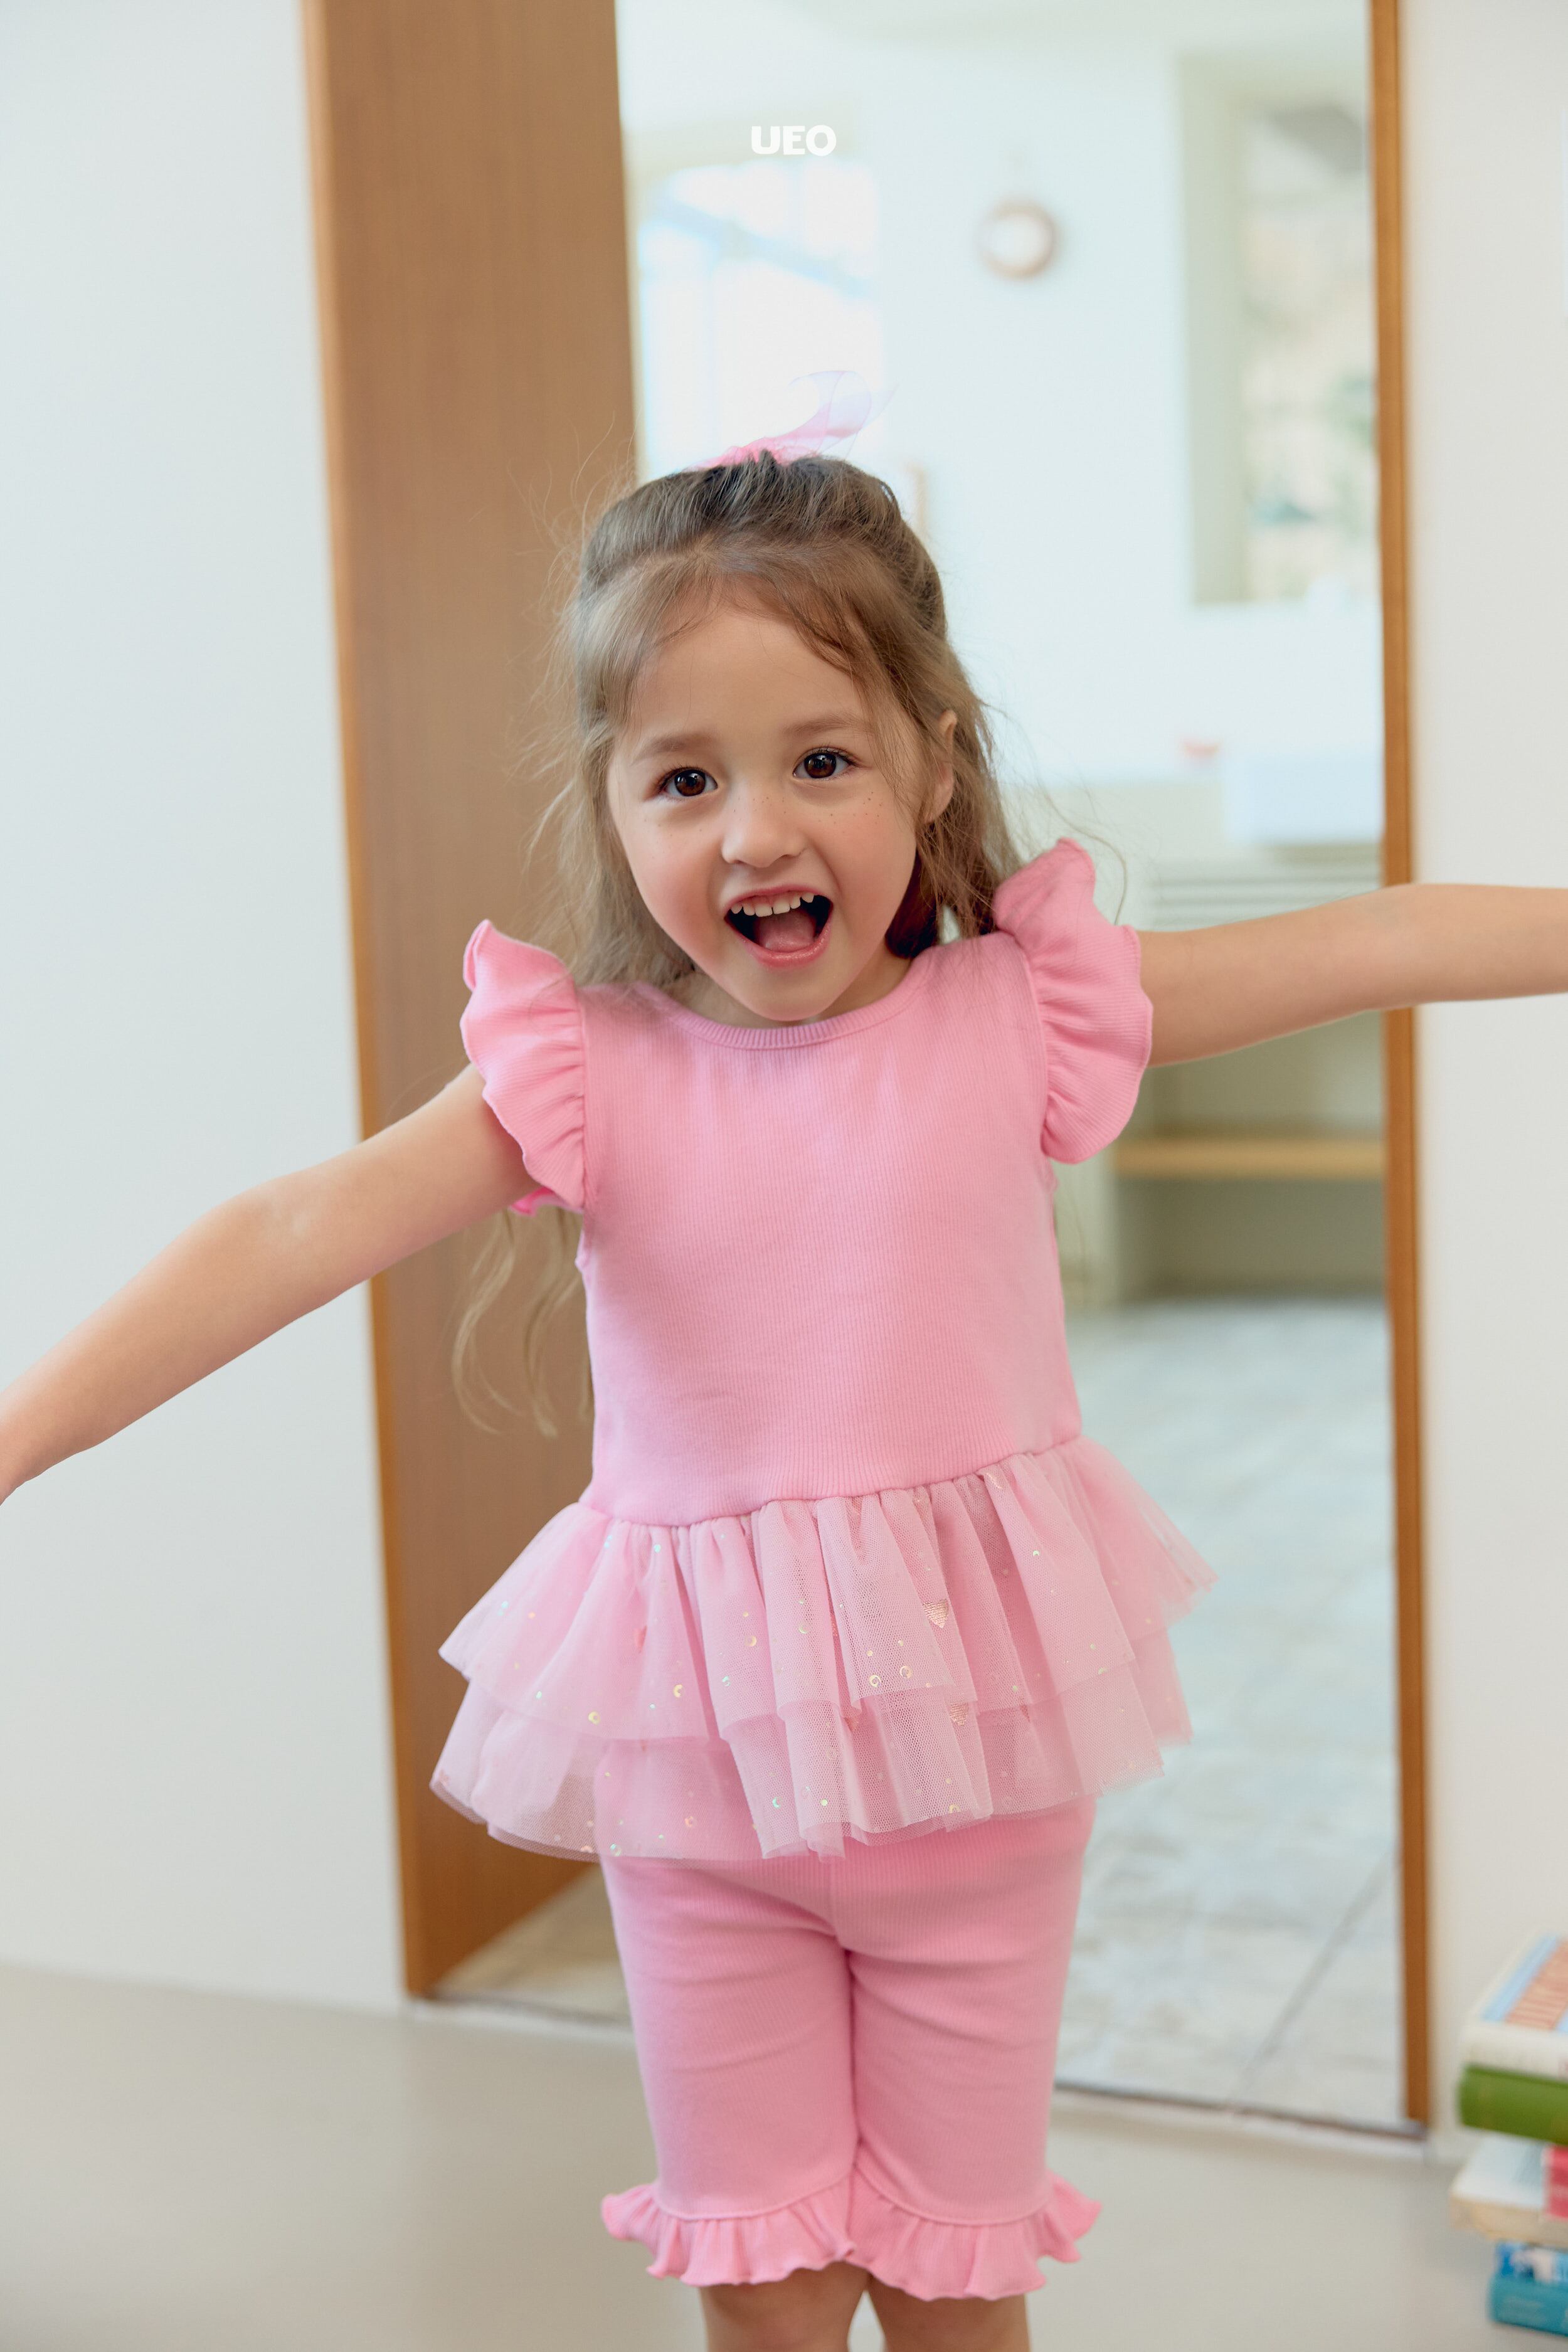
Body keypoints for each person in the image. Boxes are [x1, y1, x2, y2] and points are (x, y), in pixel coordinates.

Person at [2, 445, 1564, 2352]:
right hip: (705, 1808)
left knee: (951, 2291)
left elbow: (1384, 938)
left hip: (976, 1801)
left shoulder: (1022, 1016)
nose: (756, 832)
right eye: (685, 779)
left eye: (820, 760)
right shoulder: (576, 1075)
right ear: (611, 803)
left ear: (931, 761)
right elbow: (290, 1225)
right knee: (761, 2296)